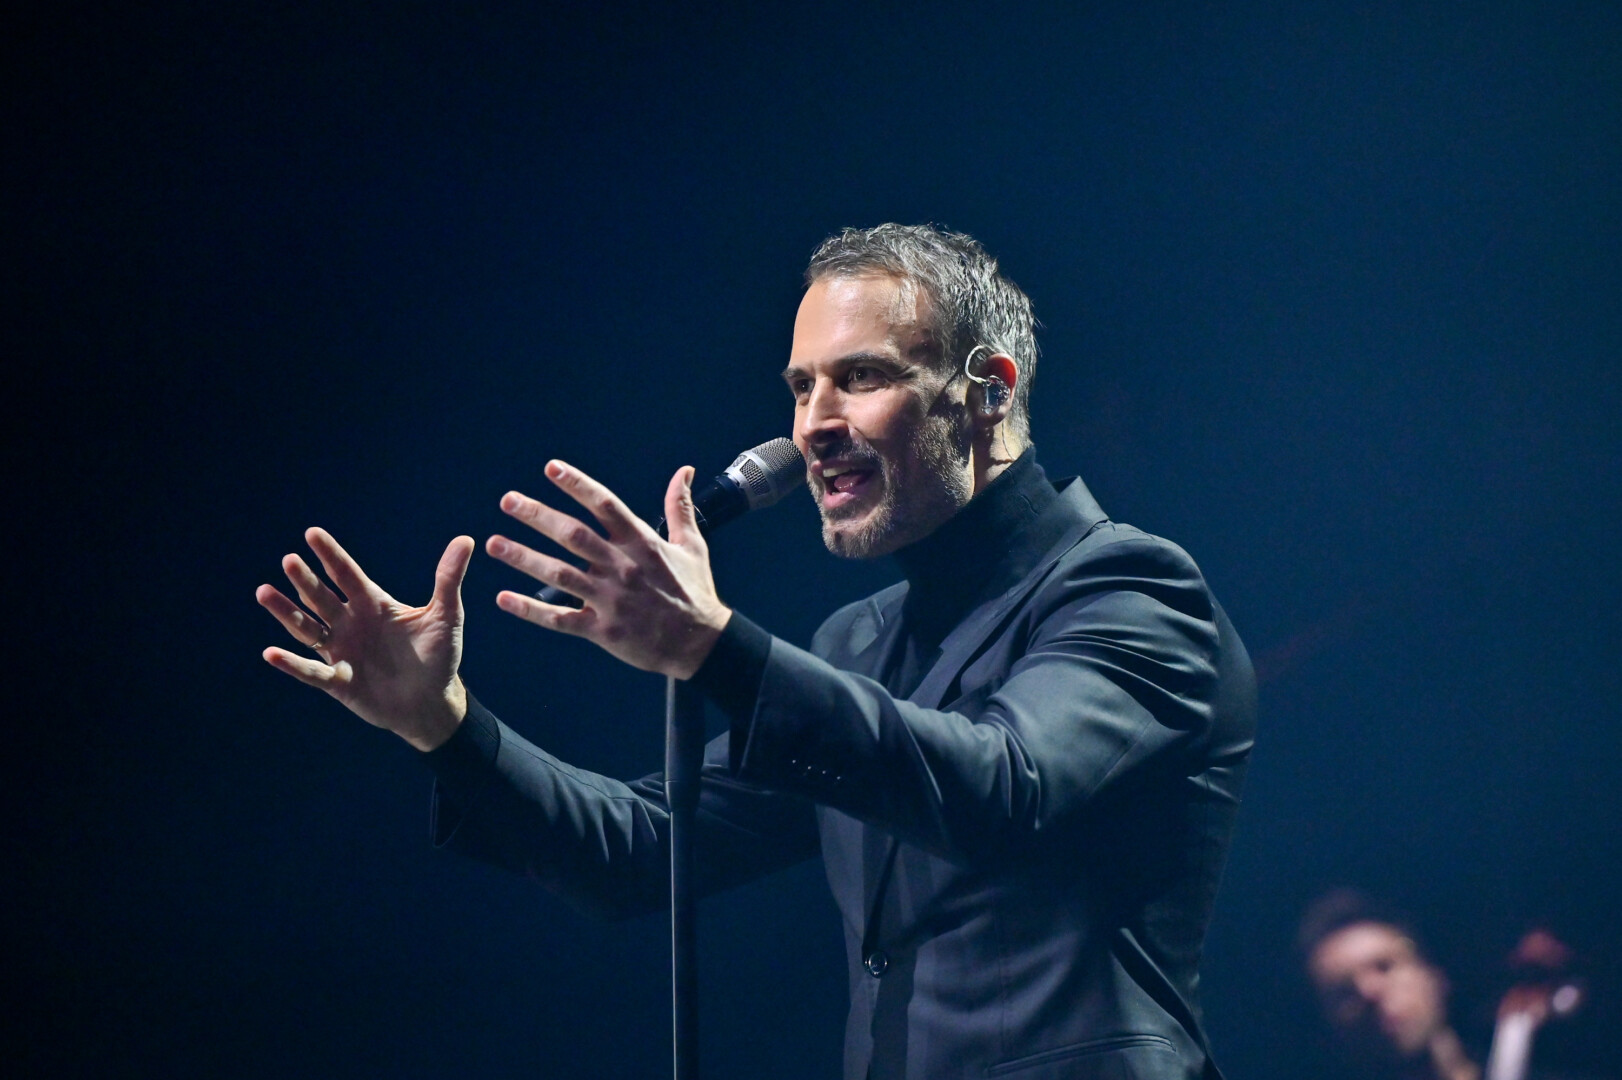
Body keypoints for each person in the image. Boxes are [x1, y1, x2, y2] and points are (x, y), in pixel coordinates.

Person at [257, 224, 1257, 1079]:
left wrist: (715, 648)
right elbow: (638, 852)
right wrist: (441, 724)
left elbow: (1002, 787)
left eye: (860, 377)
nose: (812, 425)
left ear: (987, 391)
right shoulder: (857, 643)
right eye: (800, 387)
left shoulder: (1129, 589)